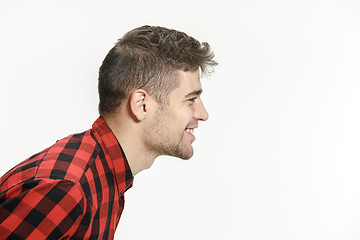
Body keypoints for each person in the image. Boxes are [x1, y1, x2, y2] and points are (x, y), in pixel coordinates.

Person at [0, 25, 217, 239]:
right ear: (142, 105)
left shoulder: (104, 176)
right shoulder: (68, 189)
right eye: (191, 99)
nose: (202, 113)